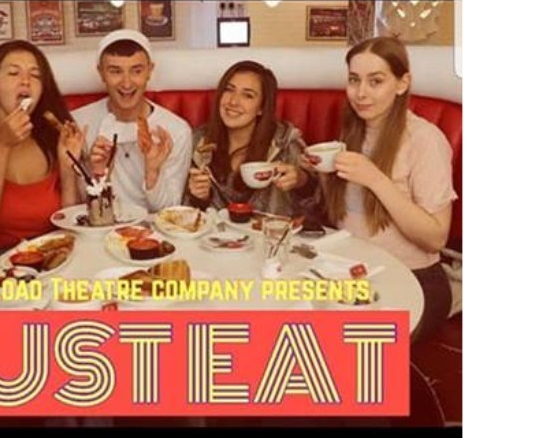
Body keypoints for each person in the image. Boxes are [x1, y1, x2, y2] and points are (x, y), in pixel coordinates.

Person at [307, 36, 457, 342]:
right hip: (352, 270)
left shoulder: (425, 140)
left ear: (402, 83)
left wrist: (376, 179)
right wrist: (313, 174)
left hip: (414, 278)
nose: (361, 93)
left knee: (347, 349)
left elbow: (435, 238)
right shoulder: (352, 132)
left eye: (376, 81)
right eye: (354, 80)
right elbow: (350, 218)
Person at [0, 40, 85, 252]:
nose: (26, 81)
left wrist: (67, 168)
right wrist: (2, 146)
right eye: (13, 73)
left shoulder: (50, 134)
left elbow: (71, 223)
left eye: (35, 75)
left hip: (56, 251)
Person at [72, 29, 192, 212]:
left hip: (154, 226)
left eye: (136, 71)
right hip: (100, 223)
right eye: (115, 71)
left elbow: (171, 209)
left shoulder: (177, 130)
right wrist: (97, 173)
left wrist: (153, 173)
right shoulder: (80, 124)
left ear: (149, 71)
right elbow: (77, 208)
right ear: (101, 73)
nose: (127, 83)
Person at [185, 60, 314, 215]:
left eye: (248, 95)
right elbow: (185, 214)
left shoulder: (284, 143)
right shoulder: (199, 142)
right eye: (229, 90)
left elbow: (317, 203)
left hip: (270, 229)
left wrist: (300, 180)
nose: (233, 101)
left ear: (261, 108)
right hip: (215, 231)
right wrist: (200, 197)